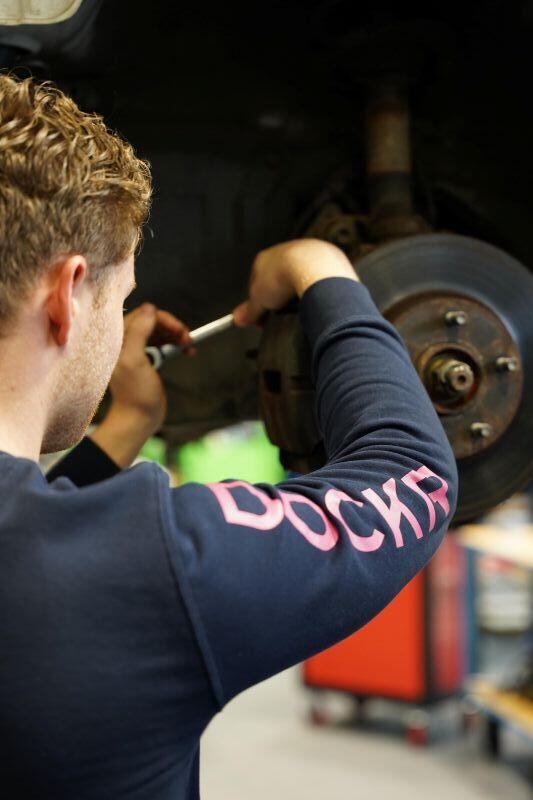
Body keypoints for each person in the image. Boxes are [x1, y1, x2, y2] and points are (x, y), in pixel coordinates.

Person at [0, 73, 458, 800]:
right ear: (66, 296)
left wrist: (127, 426)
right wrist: (323, 269)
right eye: (116, 302)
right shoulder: (146, 564)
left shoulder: (61, 561)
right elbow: (412, 476)